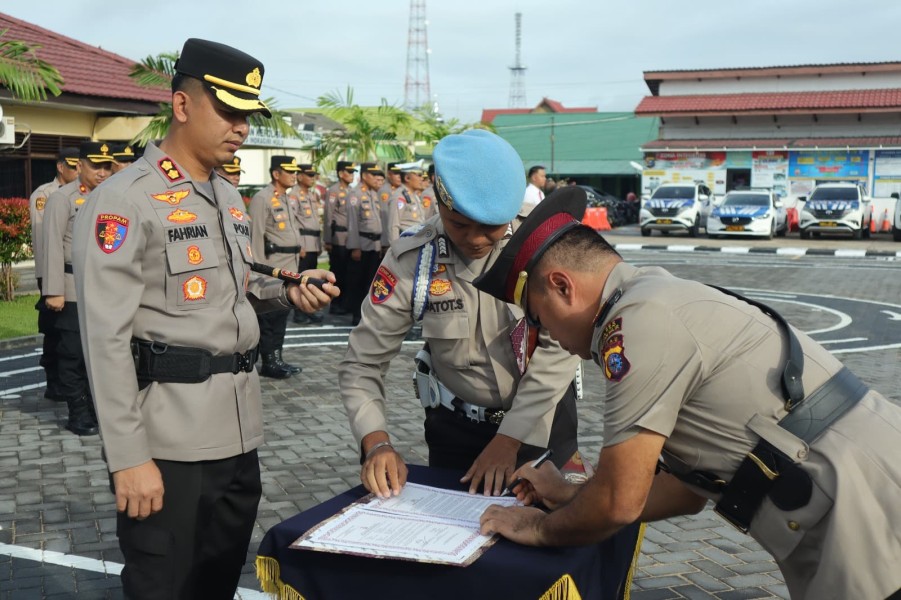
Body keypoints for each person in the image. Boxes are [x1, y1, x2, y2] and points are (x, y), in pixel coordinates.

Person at [475, 188, 901, 600]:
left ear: (563, 286)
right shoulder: (657, 296)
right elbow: (683, 491)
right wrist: (569, 494)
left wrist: (537, 528)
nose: (546, 334)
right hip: (859, 491)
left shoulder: (635, 323)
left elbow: (618, 504)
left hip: (866, 507)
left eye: (538, 316)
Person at [71, 38, 337, 600]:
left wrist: (289, 292)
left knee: (216, 585)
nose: (240, 127)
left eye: (247, 115)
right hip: (168, 443)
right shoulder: (126, 199)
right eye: (228, 110)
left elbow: (232, 290)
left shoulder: (227, 195)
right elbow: (104, 339)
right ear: (183, 105)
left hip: (238, 436)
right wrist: (129, 458)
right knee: (164, 587)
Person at [339, 129, 582, 500]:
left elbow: (559, 352)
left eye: (491, 227)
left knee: (553, 537)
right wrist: (375, 442)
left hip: (543, 425)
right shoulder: (413, 260)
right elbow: (362, 363)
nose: (475, 239)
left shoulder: (541, 245)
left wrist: (508, 440)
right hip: (455, 432)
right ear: (438, 200)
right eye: (459, 224)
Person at [42, 141, 115, 435]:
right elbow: (52, 246)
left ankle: (95, 409)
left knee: (98, 355)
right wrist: (53, 290)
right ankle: (78, 413)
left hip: (105, 289)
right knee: (72, 355)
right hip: (73, 287)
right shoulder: (63, 198)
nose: (101, 172)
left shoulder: (112, 197)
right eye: (96, 165)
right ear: (79, 165)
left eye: (106, 166)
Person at [29, 146, 79, 402]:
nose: (78, 170)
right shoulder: (45, 195)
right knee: (53, 329)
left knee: (68, 333)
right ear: (61, 167)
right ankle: (54, 382)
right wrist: (47, 280)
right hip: (49, 272)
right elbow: (43, 241)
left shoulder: (82, 194)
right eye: (73, 166)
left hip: (72, 276)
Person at [249, 155, 304, 378]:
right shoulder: (262, 198)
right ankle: (269, 362)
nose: (294, 176)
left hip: (289, 266)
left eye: (295, 172)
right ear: (276, 174)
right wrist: (257, 275)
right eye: (289, 172)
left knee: (281, 316)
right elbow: (255, 238)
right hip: (271, 268)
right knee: (269, 318)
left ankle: (277, 358)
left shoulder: (285, 198)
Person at [345, 162, 384, 326]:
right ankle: (357, 315)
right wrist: (355, 247)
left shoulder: (372, 194)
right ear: (365, 176)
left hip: (374, 245)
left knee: (371, 282)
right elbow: (352, 224)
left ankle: (368, 314)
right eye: (374, 175)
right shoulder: (355, 194)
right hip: (362, 245)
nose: (377, 178)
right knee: (359, 282)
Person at [291, 163, 325, 325]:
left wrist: (318, 245)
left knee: (311, 279)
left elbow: (314, 222)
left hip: (313, 243)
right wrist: (299, 245)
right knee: (302, 279)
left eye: (314, 175)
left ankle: (309, 310)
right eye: (309, 175)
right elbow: (293, 223)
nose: (313, 178)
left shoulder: (311, 195)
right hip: (303, 243)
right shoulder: (294, 195)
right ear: (299, 176)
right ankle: (299, 312)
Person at [323, 160, 356, 316]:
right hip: (338, 237)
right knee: (338, 271)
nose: (352, 176)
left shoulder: (352, 191)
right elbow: (328, 216)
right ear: (341, 173)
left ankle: (347, 303)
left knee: (350, 272)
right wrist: (328, 239)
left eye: (353, 173)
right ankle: (335, 303)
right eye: (349, 172)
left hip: (350, 237)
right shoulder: (334, 191)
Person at [383, 162, 426, 248]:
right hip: (406, 245)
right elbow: (393, 226)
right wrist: (396, 249)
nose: (422, 179)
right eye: (419, 175)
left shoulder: (414, 196)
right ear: (407, 178)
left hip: (417, 244)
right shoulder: (399, 197)